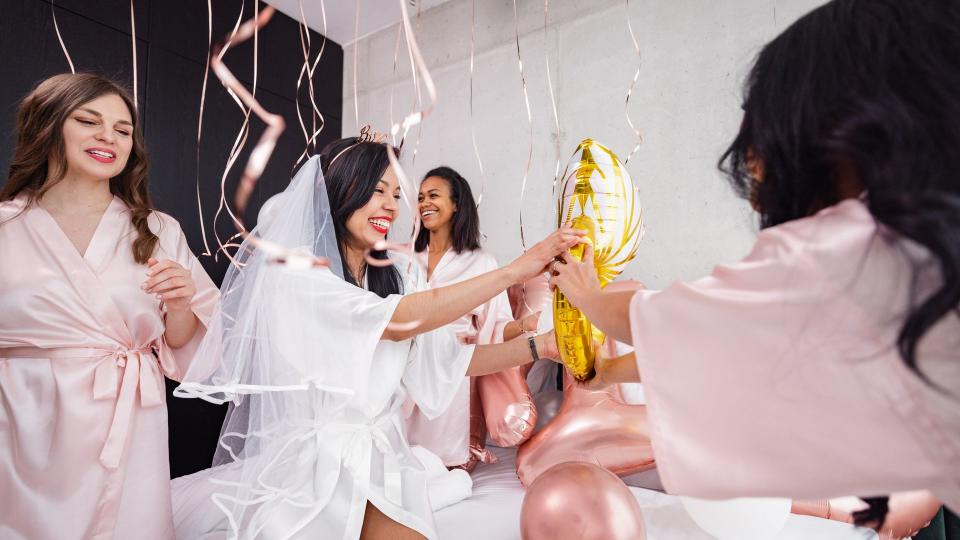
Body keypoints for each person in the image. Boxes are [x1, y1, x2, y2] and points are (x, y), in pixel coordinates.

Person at [549, 0, 960, 529]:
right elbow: (730, 344)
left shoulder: (851, 246)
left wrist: (586, 294)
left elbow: (685, 324)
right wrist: (608, 369)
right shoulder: (919, 229)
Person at [171, 135, 583, 540]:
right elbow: (398, 320)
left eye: (395, 194)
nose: (391, 204)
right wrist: (515, 271)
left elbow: (453, 360)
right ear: (339, 191)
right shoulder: (296, 276)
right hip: (316, 465)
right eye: (376, 190)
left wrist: (542, 345)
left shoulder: (396, 276)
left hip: (383, 457)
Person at [0, 73, 218, 539]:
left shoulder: (158, 230)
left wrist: (180, 302)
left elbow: (183, 344)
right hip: (22, 420)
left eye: (123, 130)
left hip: (130, 421)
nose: (109, 137)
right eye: (89, 121)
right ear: (49, 126)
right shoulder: (6, 226)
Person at [404, 166, 538, 469]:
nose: (424, 203)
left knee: (440, 464)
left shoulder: (482, 262)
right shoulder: (405, 260)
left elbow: (497, 324)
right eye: (421, 197)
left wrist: (525, 325)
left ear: (456, 204)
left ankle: (452, 459)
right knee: (401, 460)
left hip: (452, 368)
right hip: (407, 364)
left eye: (434, 195)